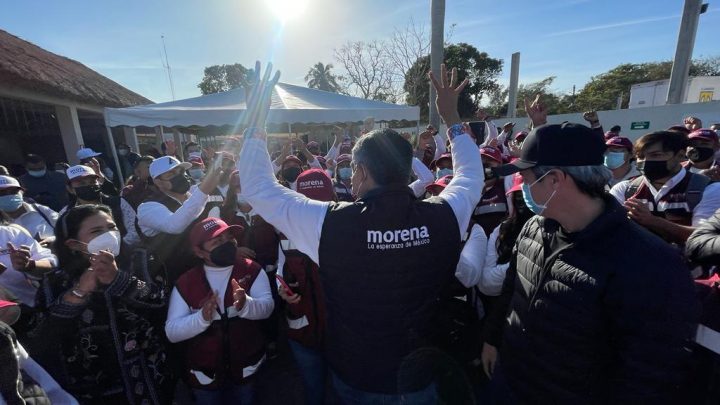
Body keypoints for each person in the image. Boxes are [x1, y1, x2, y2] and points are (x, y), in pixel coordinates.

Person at [236, 63, 483, 403]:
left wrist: (255, 125)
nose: (349, 178)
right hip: (421, 375)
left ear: (363, 171)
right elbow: (471, 177)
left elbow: (258, 187)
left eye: (352, 168)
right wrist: (452, 119)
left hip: (358, 378)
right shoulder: (446, 214)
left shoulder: (330, 224)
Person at [484, 122, 700, 402]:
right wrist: (492, 338)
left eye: (526, 179)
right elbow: (512, 291)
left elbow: (648, 375)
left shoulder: (650, 264)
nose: (523, 188)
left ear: (554, 180)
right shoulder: (534, 229)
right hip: (512, 383)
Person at [26, 204, 172, 404]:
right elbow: (41, 336)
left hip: (147, 376)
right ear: (73, 244)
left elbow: (160, 300)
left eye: (112, 227)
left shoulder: (140, 260)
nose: (110, 234)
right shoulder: (55, 282)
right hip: (89, 386)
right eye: (97, 231)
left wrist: (117, 279)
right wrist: (78, 292)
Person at [165, 217, 274, 404]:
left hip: (246, 365)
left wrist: (246, 304)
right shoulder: (186, 282)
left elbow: (267, 308)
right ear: (199, 252)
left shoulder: (252, 270)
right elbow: (172, 332)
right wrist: (201, 318)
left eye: (229, 238)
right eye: (217, 242)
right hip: (205, 372)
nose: (227, 244)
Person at [276, 169, 335, 405]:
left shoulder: (352, 228)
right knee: (314, 391)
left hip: (342, 333)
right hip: (302, 331)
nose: (316, 210)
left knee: (345, 391)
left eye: (322, 202)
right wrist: (282, 289)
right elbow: (279, 267)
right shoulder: (285, 231)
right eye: (310, 203)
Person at [610, 130, 720, 245]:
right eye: (640, 156)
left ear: (680, 155)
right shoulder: (625, 189)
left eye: (656, 155)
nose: (646, 161)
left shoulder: (708, 189)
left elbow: (705, 237)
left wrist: (652, 221)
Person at [136, 155, 223, 286]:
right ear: (158, 182)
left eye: (181, 171)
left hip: (212, 269)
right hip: (179, 279)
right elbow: (175, 225)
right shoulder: (148, 207)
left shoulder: (194, 193)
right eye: (171, 173)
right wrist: (203, 191)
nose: (180, 176)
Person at [62, 165, 140, 249]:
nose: (89, 186)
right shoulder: (66, 214)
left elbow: (135, 231)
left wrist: (115, 247)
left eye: (92, 182)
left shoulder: (118, 203)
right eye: (81, 183)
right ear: (70, 189)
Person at [0, 175, 58, 247]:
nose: (8, 195)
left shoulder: (41, 210)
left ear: (22, 192)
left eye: (13, 191)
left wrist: (54, 239)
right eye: (1, 193)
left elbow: (66, 231)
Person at [472, 146, 508, 236]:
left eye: (489, 162)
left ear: (499, 165)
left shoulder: (506, 184)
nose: (484, 165)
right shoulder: (470, 187)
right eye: (481, 161)